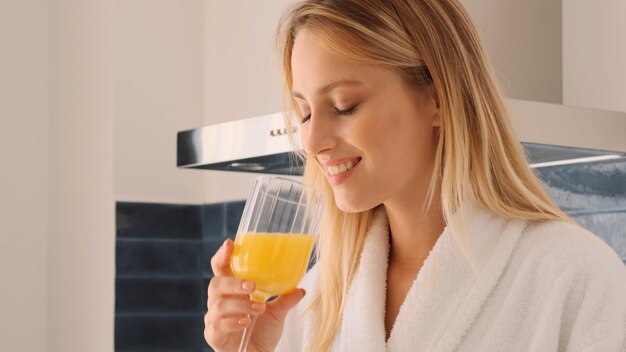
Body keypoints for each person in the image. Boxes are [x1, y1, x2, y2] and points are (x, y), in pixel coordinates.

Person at [204, 0, 626, 351]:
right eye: (305, 113)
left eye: (344, 104)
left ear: (439, 98)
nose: (310, 142)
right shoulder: (309, 304)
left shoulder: (575, 277)